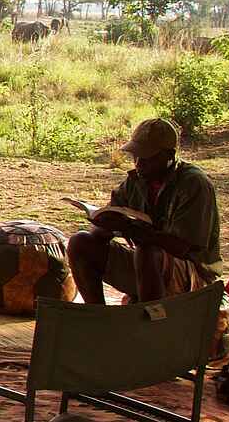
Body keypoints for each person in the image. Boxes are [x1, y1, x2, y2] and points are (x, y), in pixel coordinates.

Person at [67, 117, 221, 304]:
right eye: (135, 156)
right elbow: (104, 228)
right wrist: (104, 224)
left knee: (147, 251)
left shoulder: (194, 184)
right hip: (149, 268)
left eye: (147, 158)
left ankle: (151, 321)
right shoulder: (136, 181)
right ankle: (98, 316)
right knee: (80, 242)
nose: (139, 163)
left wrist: (136, 231)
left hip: (193, 276)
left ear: (169, 155)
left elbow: (183, 247)